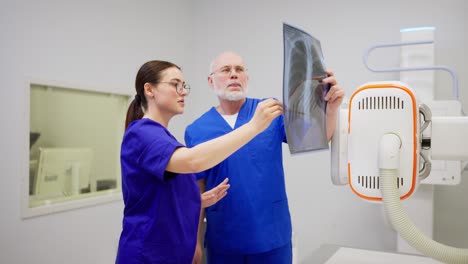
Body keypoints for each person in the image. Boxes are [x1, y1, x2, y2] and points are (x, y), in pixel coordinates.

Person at [116, 60, 283, 264]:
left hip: (173, 252)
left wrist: (198, 200)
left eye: (184, 86)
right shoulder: (141, 133)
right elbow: (194, 161)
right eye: (175, 84)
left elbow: (156, 196)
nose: (183, 92)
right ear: (149, 90)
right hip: (148, 254)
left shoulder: (164, 138)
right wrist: (254, 127)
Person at [184, 51, 345, 264]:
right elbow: (198, 190)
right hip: (223, 241)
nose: (234, 75)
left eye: (239, 70)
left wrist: (331, 109)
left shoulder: (268, 110)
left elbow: (317, 138)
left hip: (271, 236)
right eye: (226, 70)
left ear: (247, 78)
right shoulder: (197, 130)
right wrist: (193, 241)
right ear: (210, 80)